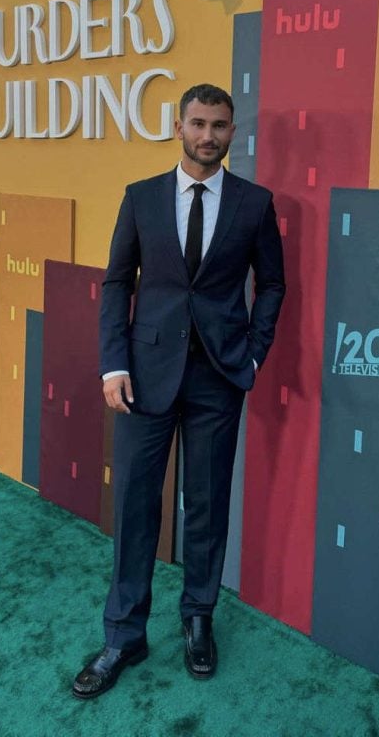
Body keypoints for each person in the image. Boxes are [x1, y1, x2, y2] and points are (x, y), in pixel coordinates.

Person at [72, 82, 286, 700]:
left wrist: (253, 351)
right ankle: (123, 636)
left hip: (219, 377)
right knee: (134, 505)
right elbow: (117, 283)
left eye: (219, 125)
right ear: (178, 126)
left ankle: (198, 619)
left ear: (232, 132)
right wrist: (113, 364)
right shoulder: (141, 197)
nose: (207, 135)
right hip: (143, 377)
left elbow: (272, 284)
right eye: (198, 123)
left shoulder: (254, 203)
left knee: (208, 504)